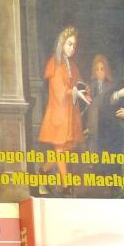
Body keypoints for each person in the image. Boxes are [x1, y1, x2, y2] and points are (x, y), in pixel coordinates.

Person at [38, 26, 89, 188]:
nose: (72, 48)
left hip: (70, 111)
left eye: (74, 45)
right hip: (58, 111)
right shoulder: (54, 63)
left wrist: (85, 89)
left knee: (66, 147)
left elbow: (79, 81)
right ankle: (66, 185)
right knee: (60, 148)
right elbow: (59, 91)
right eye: (69, 44)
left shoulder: (71, 64)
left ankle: (43, 170)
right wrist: (75, 92)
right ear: (62, 43)